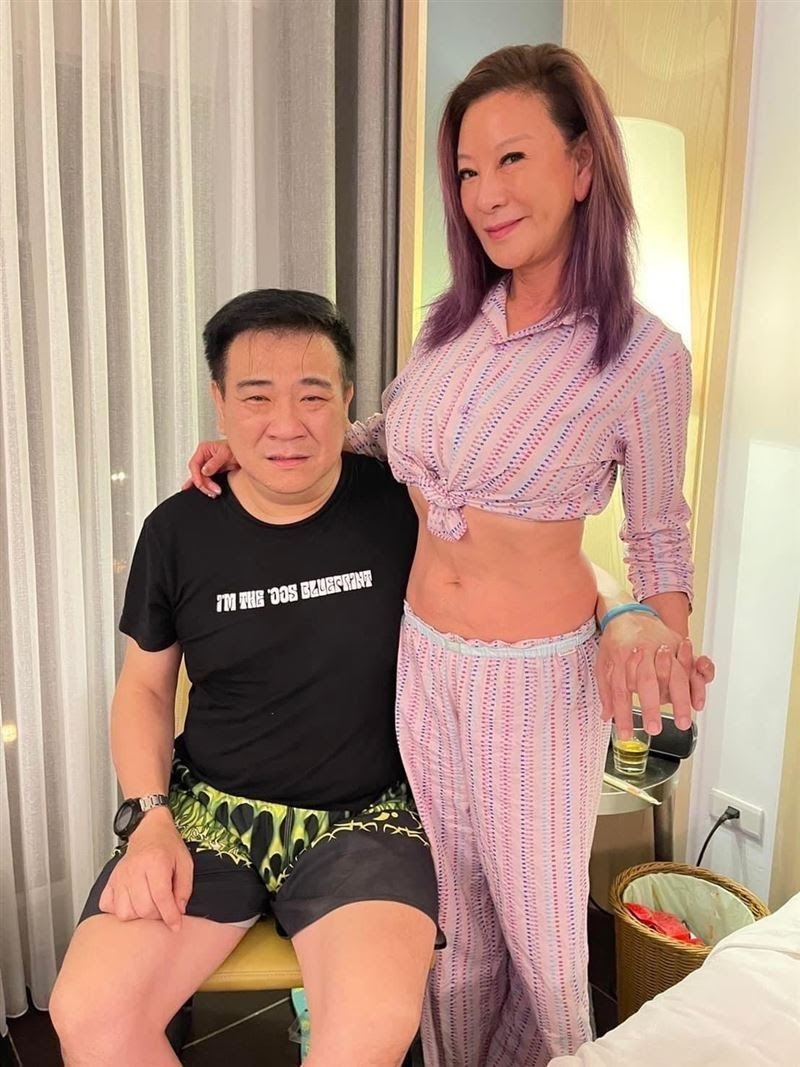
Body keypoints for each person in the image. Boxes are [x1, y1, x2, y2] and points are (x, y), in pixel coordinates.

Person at [184, 45, 716, 1067]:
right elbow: (388, 438)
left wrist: (651, 631)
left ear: (581, 166)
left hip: (532, 683)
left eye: (511, 159)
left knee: (545, 943)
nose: (484, 194)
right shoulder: (452, 323)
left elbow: (657, 528)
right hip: (422, 660)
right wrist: (271, 448)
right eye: (467, 172)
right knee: (456, 932)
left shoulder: (644, 356)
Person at [49, 290, 443, 1067]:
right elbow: (144, 689)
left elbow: (517, 564)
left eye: (312, 395)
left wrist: (623, 608)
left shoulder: (403, 504)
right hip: (207, 814)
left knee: (368, 1033)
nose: (286, 424)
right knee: (88, 1015)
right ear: (220, 402)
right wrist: (148, 819)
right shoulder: (176, 529)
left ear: (348, 399)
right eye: (257, 397)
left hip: (366, 819)